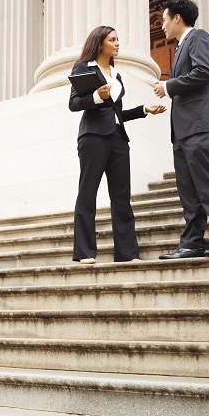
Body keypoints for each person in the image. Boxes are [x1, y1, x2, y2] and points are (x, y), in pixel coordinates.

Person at [153, 0, 209, 259]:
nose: (162, 27)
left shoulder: (199, 37)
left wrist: (169, 86)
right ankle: (192, 243)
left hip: (199, 125)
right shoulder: (181, 47)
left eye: (165, 20)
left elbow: (205, 71)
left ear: (178, 18)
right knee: (189, 191)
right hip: (182, 131)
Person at [69, 26, 166, 264]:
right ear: (99, 43)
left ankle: (127, 253)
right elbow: (74, 103)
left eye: (118, 39)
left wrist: (144, 109)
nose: (117, 43)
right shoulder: (83, 68)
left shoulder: (116, 75)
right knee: (87, 193)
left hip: (118, 138)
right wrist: (95, 97)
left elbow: (118, 112)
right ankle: (84, 252)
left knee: (122, 197)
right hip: (92, 137)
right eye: (112, 39)